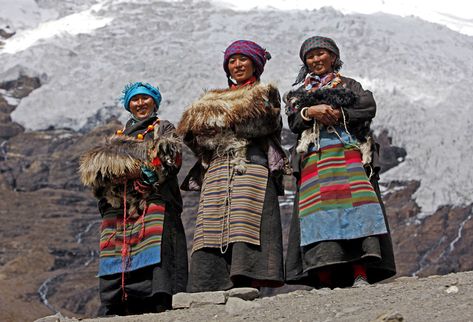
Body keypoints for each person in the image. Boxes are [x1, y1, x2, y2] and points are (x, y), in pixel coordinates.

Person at [284, 36, 396, 288]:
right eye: (310, 56)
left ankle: (360, 275)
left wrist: (339, 113)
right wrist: (309, 111)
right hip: (315, 156)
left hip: (348, 154)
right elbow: (293, 122)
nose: (315, 60)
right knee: (318, 214)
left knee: (358, 208)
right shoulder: (298, 94)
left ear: (333, 57)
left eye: (320, 54)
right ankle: (324, 280)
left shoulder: (350, 85)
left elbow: (368, 107)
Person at [178, 40, 289, 292]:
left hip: (251, 166)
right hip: (217, 168)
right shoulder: (211, 97)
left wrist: (219, 122)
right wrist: (231, 121)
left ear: (255, 64)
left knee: (245, 221)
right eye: (232, 60)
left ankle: (246, 282)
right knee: (212, 224)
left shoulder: (266, 93)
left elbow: (261, 125)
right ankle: (213, 284)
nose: (237, 65)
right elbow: (191, 135)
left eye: (243, 59)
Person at [79, 82, 188, 315]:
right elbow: (99, 175)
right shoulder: (116, 138)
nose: (140, 103)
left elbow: (169, 160)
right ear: (129, 105)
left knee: (156, 251)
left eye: (145, 99)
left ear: (154, 102)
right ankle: (121, 303)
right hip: (120, 207)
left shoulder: (164, 129)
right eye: (135, 100)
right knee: (117, 252)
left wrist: (144, 174)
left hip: (153, 201)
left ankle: (158, 301)